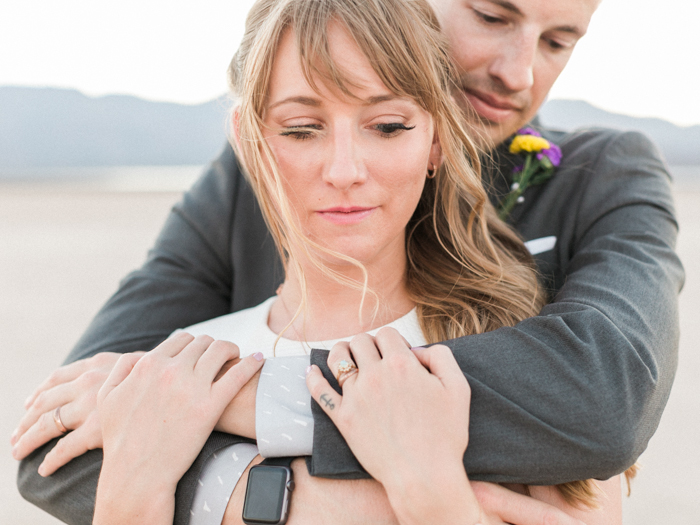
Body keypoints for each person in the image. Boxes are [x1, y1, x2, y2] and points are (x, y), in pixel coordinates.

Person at [13, 0, 682, 521]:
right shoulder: (248, 184)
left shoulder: (597, 180)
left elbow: (603, 403)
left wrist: (238, 398)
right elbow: (60, 436)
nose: (519, 71)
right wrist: (306, 505)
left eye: (560, 40)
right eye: (490, 14)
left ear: (435, 142)